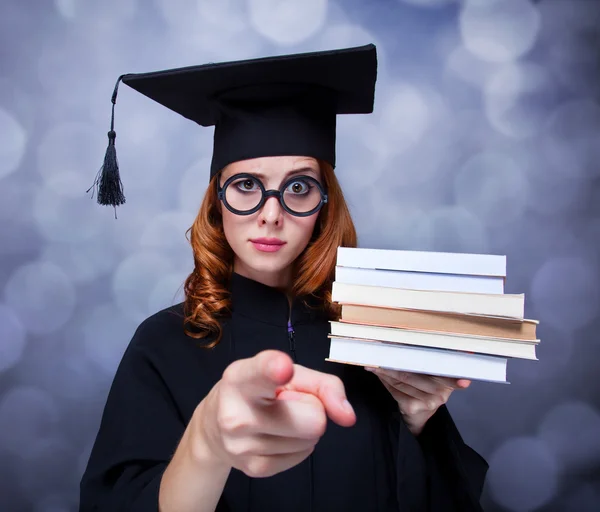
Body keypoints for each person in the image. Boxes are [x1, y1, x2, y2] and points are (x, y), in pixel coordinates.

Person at [79, 44, 488, 512]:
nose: (271, 215)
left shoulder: (374, 342)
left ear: (324, 205)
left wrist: (417, 420)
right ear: (217, 200)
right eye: (247, 185)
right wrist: (207, 442)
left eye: (298, 187)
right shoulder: (163, 345)